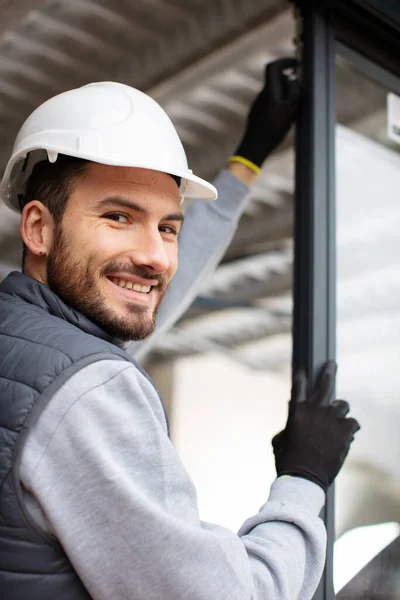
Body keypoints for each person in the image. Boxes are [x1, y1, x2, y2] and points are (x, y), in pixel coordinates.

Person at [0, 60, 359, 600]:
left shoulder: (22, 339)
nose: (154, 256)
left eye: (168, 226)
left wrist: (248, 158)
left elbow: (138, 289)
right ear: (38, 228)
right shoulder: (87, 392)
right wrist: (303, 482)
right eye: (118, 217)